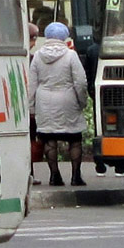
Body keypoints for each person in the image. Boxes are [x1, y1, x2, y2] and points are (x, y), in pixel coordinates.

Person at [28, 21, 89, 187]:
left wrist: (31, 106)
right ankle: (76, 176)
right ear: (64, 37)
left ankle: (55, 176)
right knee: (74, 138)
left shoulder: (38, 56)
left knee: (49, 139)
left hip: (44, 101)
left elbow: (32, 83)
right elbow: (80, 82)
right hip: (68, 99)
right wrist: (82, 100)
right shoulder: (71, 55)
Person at [27, 22, 42, 186]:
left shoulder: (33, 58)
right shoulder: (32, 60)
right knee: (30, 140)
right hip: (29, 106)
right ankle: (30, 173)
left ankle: (29, 173)